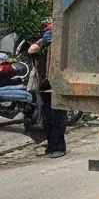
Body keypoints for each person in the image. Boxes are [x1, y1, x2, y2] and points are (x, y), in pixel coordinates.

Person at [33, 21, 66, 159]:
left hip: (57, 88)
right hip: (45, 88)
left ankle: (59, 147)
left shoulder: (62, 48)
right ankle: (51, 146)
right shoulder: (44, 48)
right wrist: (42, 42)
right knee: (47, 119)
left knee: (57, 118)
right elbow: (31, 50)